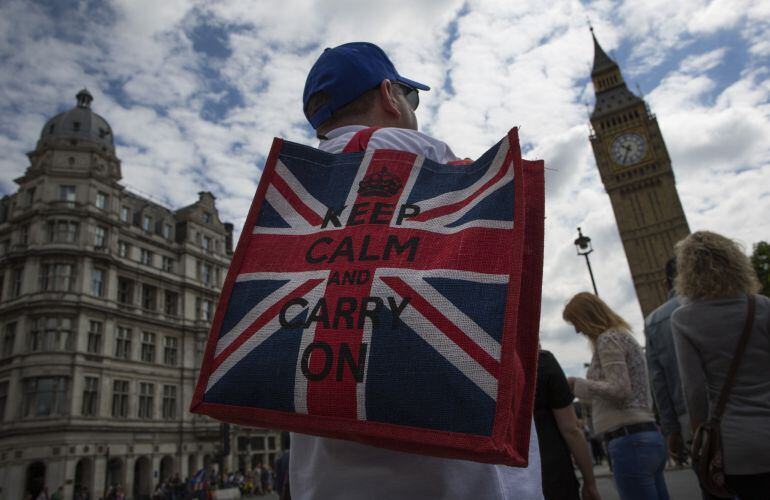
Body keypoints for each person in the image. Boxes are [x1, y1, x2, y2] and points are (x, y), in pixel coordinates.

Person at [290, 41, 544, 500]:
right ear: (390, 95)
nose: (412, 108)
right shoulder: (436, 164)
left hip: (325, 480)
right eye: (412, 96)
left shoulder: (295, 200)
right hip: (459, 476)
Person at [670, 231, 770, 500]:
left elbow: (694, 391)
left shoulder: (684, 319)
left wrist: (699, 434)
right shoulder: (763, 307)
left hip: (734, 448)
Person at [563, 292, 669, 500]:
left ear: (587, 316)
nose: (576, 330)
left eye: (576, 322)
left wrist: (577, 383)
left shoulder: (608, 339)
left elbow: (620, 389)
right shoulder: (622, 336)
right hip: (647, 435)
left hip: (629, 439)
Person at [534, 348, 601, 500]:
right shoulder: (542, 361)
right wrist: (590, 483)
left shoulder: (483, 364)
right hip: (552, 475)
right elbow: (571, 429)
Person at [643, 258, 690, 465]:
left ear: (665, 284)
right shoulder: (752, 303)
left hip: (693, 419)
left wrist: (671, 430)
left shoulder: (656, 321)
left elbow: (659, 383)